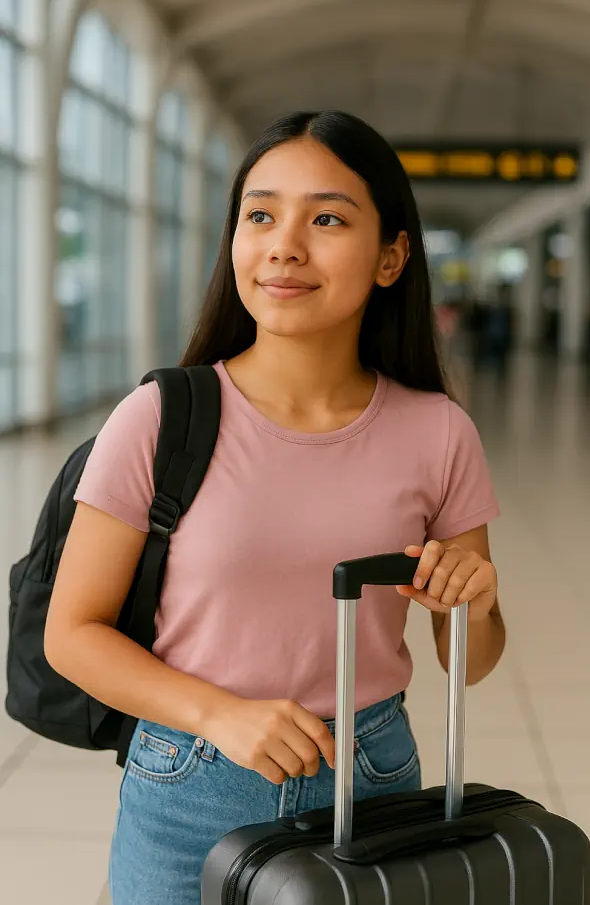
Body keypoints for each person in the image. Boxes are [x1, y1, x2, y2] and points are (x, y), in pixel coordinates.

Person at [44, 111, 505, 905]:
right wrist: (218, 715)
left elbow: (474, 658)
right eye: (260, 215)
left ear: (391, 257)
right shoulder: (159, 418)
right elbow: (71, 634)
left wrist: (477, 604)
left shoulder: (438, 432)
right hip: (189, 780)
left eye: (327, 219)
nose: (284, 245)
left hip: (370, 777)